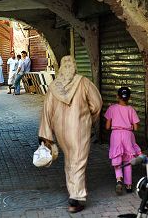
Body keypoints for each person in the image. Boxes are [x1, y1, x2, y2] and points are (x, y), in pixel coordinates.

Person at [38, 56, 102, 213]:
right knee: (78, 161)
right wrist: (89, 119)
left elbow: (47, 111)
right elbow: (97, 104)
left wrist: (46, 135)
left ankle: (73, 192)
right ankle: (76, 197)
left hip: (61, 131)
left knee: (70, 161)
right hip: (79, 128)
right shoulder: (83, 82)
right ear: (75, 67)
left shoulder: (54, 86)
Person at [104, 87, 142, 195]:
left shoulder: (112, 108)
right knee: (127, 160)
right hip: (127, 135)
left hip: (115, 135)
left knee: (117, 159)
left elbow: (107, 127)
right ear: (129, 98)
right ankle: (129, 186)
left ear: (117, 96)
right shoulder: (131, 109)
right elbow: (136, 128)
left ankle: (119, 180)